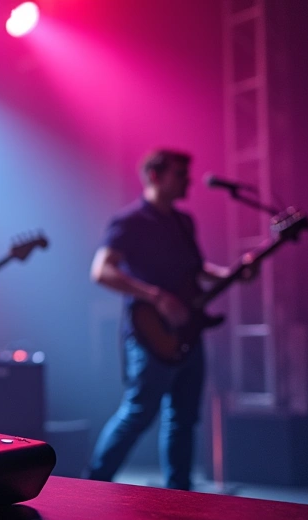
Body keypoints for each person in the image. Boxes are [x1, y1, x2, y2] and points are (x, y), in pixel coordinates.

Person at [86, 149, 248, 490]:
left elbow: (196, 271)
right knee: (138, 413)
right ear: (154, 176)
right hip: (150, 334)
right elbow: (102, 271)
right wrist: (156, 297)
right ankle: (93, 484)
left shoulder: (183, 222)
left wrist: (230, 274)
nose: (188, 181)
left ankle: (180, 495)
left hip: (189, 331)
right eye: (180, 174)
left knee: (184, 418)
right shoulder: (129, 221)